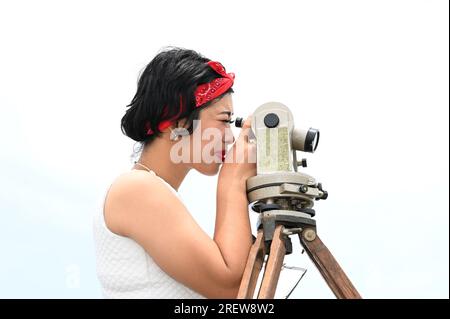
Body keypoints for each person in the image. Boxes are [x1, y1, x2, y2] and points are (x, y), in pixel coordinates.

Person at [93, 47, 256, 298]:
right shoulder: (136, 189)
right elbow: (232, 289)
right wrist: (233, 179)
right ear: (179, 122)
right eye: (224, 121)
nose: (230, 138)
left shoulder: (151, 191)